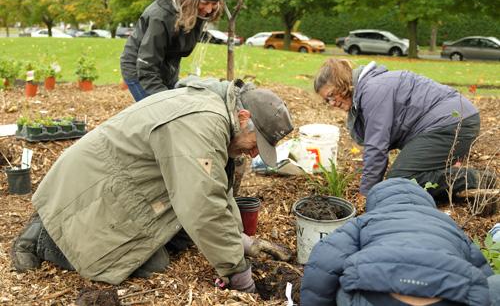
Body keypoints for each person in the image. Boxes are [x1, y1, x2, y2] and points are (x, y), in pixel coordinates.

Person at [11, 76, 294, 292]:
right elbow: (202, 203)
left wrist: (243, 241)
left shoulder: (218, 112)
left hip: (124, 180)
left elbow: (213, 190)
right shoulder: (202, 124)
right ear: (244, 119)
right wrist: (238, 274)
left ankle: (57, 228)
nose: (254, 154)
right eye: (257, 145)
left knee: (175, 245)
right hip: (92, 185)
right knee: (150, 264)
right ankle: (42, 237)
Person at [313, 58, 496, 198]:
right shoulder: (369, 90)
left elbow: (377, 147)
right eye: (326, 101)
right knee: (400, 178)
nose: (332, 103)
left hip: (453, 123)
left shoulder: (372, 90)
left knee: (400, 181)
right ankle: (453, 175)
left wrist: (366, 195)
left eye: (331, 95)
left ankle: (477, 179)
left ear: (343, 83)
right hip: (449, 122)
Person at [301, 178, 500, 306]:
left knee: (342, 281)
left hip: (375, 299)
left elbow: (323, 263)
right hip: (446, 297)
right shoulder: (451, 226)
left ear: (375, 205)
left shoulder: (365, 221)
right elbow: (482, 275)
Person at [120, 0, 242, 102]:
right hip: (141, 70)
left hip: (167, 66)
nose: (208, 10)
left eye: (214, 3)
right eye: (205, 3)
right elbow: (147, 66)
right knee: (161, 114)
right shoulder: (161, 17)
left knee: (174, 112)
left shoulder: (192, 2)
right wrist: (166, 102)